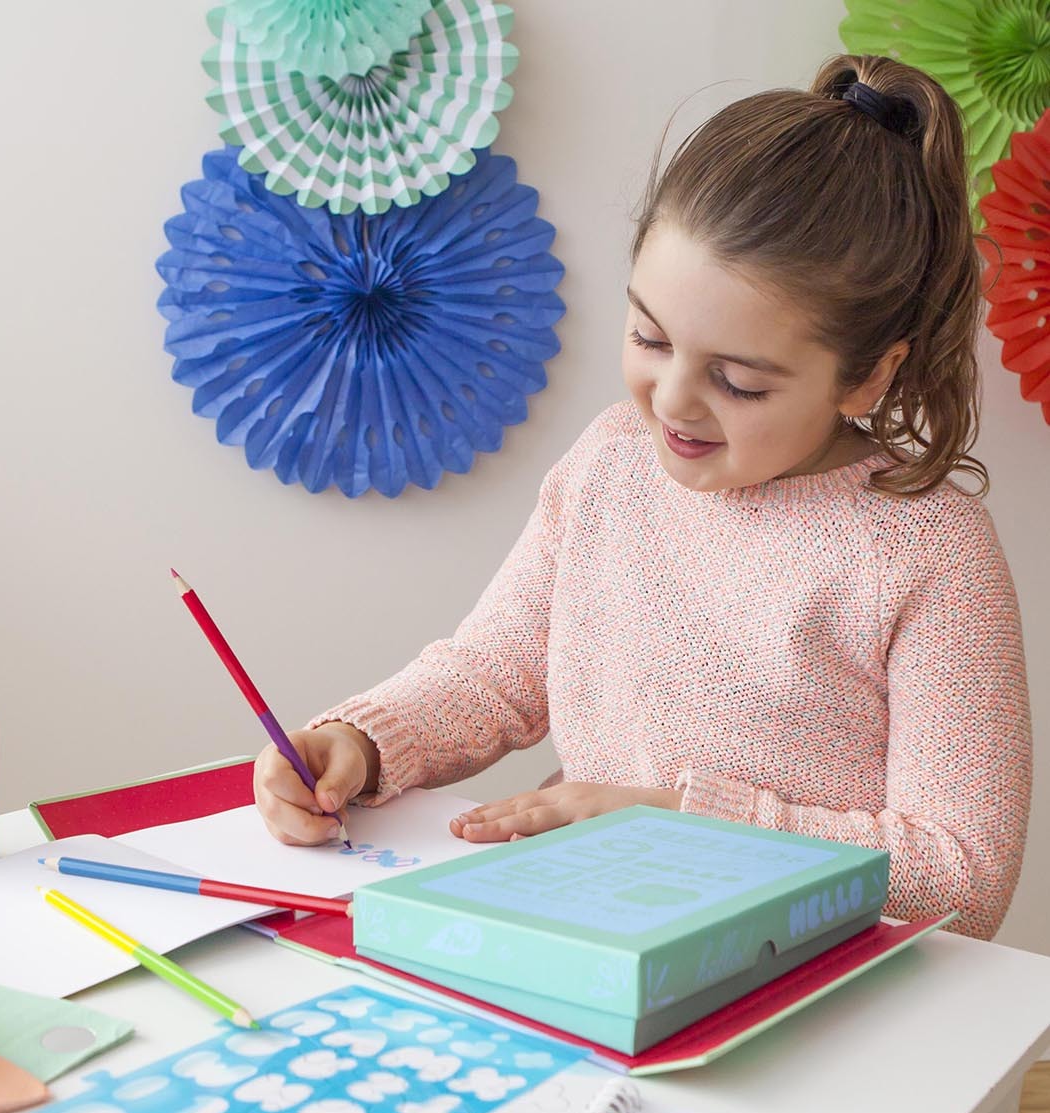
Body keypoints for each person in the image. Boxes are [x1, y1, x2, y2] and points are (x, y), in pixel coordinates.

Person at [253, 53, 1032, 941]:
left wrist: (670, 823)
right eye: (649, 338)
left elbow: (962, 879)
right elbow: (493, 673)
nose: (670, 402)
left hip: (811, 997)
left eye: (738, 383)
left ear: (868, 377)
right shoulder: (611, 464)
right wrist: (363, 743)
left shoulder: (927, 548)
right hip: (583, 944)